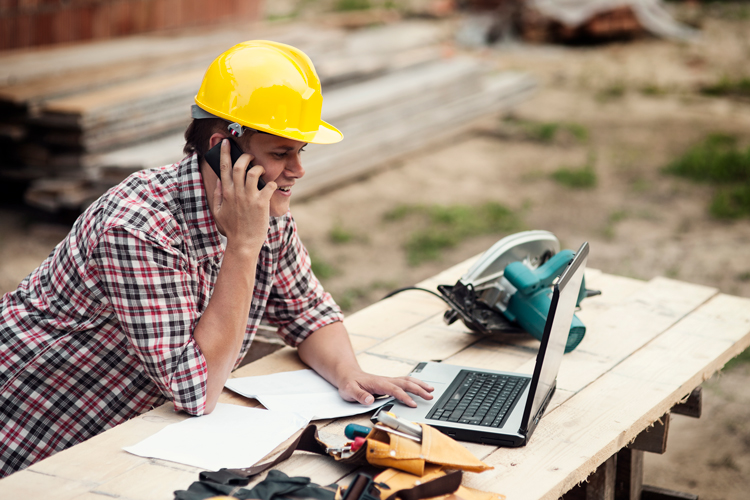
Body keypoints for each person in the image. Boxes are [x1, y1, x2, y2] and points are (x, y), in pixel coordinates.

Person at [0, 40, 433, 478]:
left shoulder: (262, 211)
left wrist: (347, 373)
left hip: (129, 423)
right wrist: (244, 246)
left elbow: (308, 311)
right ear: (222, 147)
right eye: (281, 153)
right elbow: (196, 390)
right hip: (36, 429)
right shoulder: (138, 227)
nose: (298, 170)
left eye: (301, 151)